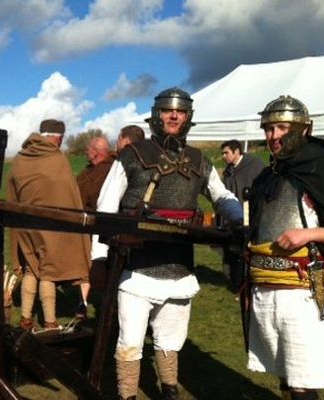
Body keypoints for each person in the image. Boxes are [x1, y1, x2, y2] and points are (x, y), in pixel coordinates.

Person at [96, 88, 242, 400]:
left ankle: (169, 392)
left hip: (179, 268)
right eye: (167, 110)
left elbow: (222, 195)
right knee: (131, 342)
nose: (174, 116)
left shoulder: (199, 160)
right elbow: (105, 207)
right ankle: (127, 395)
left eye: (180, 112)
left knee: (170, 341)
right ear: (157, 115)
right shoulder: (133, 155)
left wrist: (237, 217)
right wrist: (98, 258)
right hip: (136, 269)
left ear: (189, 117)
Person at [245, 95, 324, 399]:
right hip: (267, 288)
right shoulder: (269, 174)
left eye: (282, 127)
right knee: (284, 375)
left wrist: (309, 234)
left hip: (306, 292)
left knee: (302, 379)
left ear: (304, 129)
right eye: (269, 129)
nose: (274, 136)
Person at [7, 119, 91, 331]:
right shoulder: (56, 158)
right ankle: (50, 321)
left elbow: (12, 192)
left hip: (25, 222)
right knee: (48, 272)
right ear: (59, 138)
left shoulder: (20, 158)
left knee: (30, 269)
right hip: (51, 225)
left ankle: (26, 318)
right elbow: (68, 194)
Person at [76, 135, 116, 211]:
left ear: (95, 152)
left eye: (88, 150)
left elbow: (93, 196)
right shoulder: (88, 168)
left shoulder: (110, 169)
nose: (86, 152)